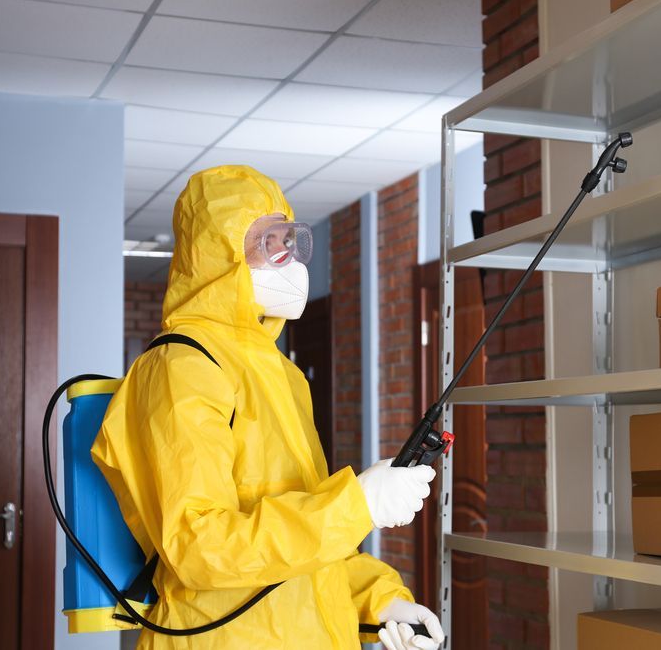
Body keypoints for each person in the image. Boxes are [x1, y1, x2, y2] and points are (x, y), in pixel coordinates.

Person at [91, 165, 445, 650]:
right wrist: (355, 505)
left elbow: (305, 541)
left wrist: (379, 602)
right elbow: (200, 548)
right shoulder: (181, 366)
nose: (287, 257)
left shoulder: (283, 375)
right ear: (217, 255)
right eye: (266, 241)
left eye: (289, 239)